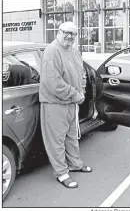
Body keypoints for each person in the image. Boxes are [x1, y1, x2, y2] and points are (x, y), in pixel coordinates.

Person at [39, 21, 92, 189]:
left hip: (71, 102)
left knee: (71, 136)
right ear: (58, 32)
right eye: (66, 32)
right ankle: (61, 173)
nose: (69, 36)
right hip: (55, 103)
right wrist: (75, 94)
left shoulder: (73, 51)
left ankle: (75, 164)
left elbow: (81, 73)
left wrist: (82, 90)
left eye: (73, 34)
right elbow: (53, 82)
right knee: (57, 140)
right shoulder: (52, 51)